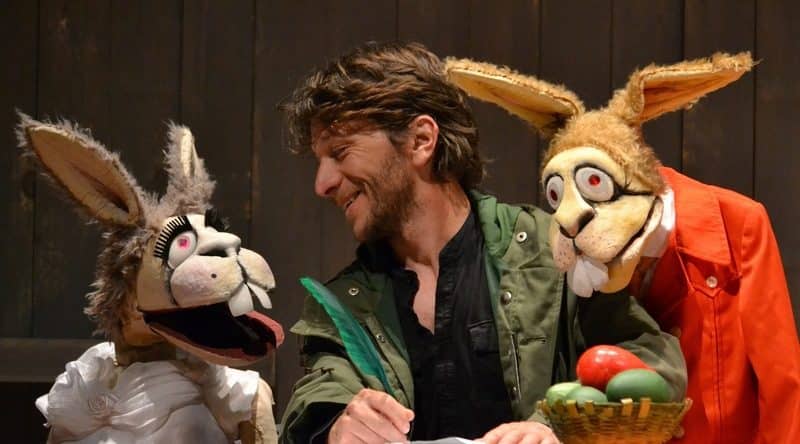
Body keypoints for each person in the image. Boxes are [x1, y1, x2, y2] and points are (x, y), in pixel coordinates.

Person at [277, 41, 687, 444]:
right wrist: (336, 425)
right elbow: (316, 397)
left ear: (421, 140)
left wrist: (554, 425)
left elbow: (650, 362)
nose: (322, 184)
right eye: (319, 161)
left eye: (340, 152)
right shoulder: (342, 303)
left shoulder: (554, 252)